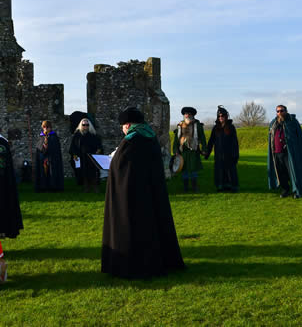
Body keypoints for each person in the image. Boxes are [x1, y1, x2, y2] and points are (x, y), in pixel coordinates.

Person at [102, 107, 185, 279]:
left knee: (135, 227)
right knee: (152, 224)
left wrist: (113, 163)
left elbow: (121, 167)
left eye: (123, 126)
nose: (123, 129)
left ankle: (135, 264)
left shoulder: (131, 141)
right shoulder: (151, 137)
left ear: (128, 125)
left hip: (133, 194)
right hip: (151, 191)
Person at [267, 105, 302, 199]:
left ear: (286, 111)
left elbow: (298, 138)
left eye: (281, 111)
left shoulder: (292, 122)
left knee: (293, 172)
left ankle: (297, 190)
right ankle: (285, 189)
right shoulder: (273, 123)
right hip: (277, 153)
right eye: (278, 111)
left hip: (289, 153)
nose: (280, 113)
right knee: (281, 173)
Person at [205, 106, 240, 192]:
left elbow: (235, 142)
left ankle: (232, 186)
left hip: (229, 154)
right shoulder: (215, 128)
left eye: (222, 116)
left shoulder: (231, 127)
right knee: (219, 170)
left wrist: (235, 155)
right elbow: (211, 141)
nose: (221, 117)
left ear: (226, 116)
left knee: (230, 171)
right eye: (219, 116)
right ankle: (220, 186)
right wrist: (207, 153)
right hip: (219, 154)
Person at [172, 107, 206, 193]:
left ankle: (194, 187)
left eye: (189, 114)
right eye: (185, 114)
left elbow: (202, 138)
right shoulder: (180, 125)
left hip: (194, 150)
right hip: (183, 151)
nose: (187, 115)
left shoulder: (197, 125)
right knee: (184, 169)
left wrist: (204, 149)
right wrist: (175, 150)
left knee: (193, 169)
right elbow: (176, 140)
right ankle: (185, 188)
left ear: (192, 115)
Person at [69, 118, 104, 193]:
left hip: (92, 156)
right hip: (82, 157)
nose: (85, 126)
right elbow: (73, 147)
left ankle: (95, 186)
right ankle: (86, 187)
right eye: (83, 125)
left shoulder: (94, 135)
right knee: (83, 172)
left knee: (94, 172)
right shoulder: (77, 135)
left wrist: (99, 150)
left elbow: (99, 146)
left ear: (89, 125)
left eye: (87, 125)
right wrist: (74, 155)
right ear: (81, 125)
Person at [34, 120, 64, 192]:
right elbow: (38, 148)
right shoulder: (41, 136)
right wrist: (43, 147)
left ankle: (53, 187)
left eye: (47, 127)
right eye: (44, 127)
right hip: (42, 158)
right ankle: (43, 187)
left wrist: (48, 147)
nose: (46, 128)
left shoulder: (54, 137)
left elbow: (56, 149)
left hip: (52, 158)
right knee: (43, 172)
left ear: (50, 127)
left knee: (52, 172)